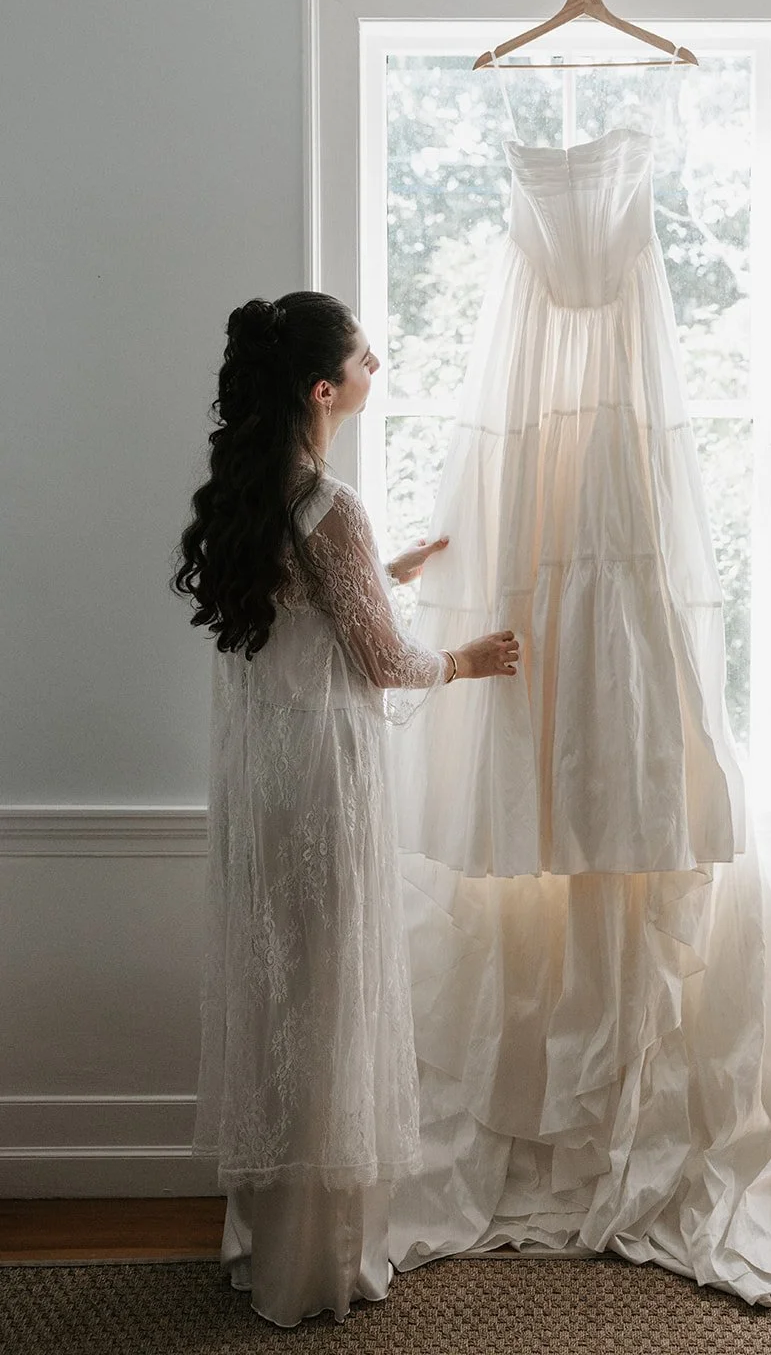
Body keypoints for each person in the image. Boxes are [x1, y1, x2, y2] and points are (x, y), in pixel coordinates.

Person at [173, 290, 518, 1326]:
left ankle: (272, 1243)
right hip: (324, 784)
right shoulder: (330, 506)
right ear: (323, 390)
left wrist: (382, 574)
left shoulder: (247, 496)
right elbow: (380, 660)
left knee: (281, 994)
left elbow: (309, 617)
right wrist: (462, 660)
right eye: (366, 359)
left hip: (263, 782)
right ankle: (317, 1263)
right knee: (328, 1002)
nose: (378, 369)